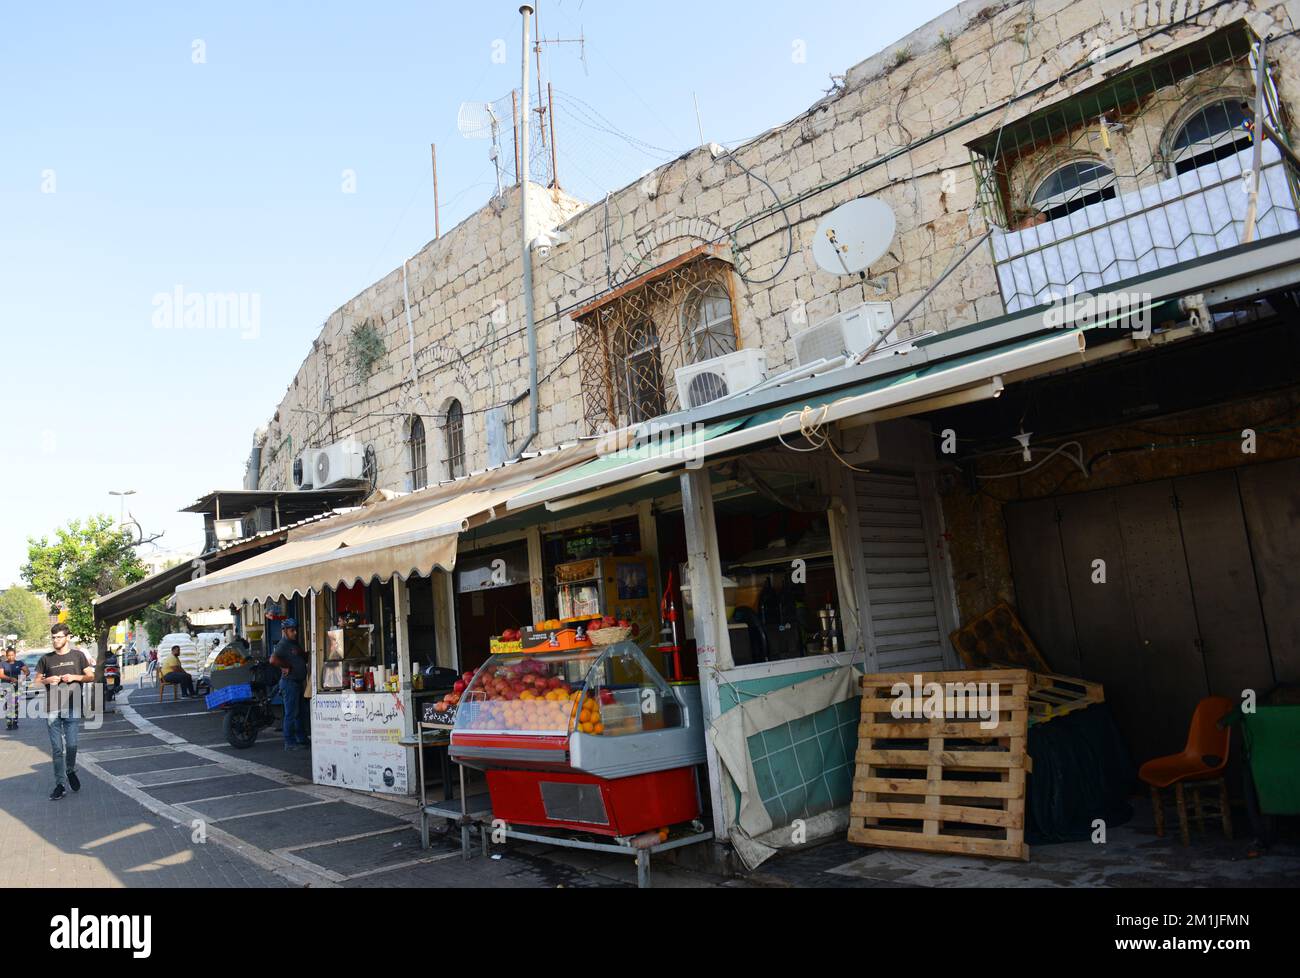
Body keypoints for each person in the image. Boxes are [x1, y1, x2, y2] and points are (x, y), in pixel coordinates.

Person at [35, 623, 95, 801]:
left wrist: (74, 677)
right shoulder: (46, 659)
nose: (55, 640)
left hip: (73, 706)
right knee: (56, 749)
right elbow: (35, 682)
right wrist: (48, 680)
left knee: (72, 745)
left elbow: (91, 676)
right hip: (52, 708)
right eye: (53, 637)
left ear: (68, 637)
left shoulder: (78, 656)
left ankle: (70, 770)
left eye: (59, 637)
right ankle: (60, 785)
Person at [269, 618, 308, 751]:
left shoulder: (293, 643)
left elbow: (304, 657)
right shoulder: (283, 644)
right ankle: (289, 742)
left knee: (299, 713)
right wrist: (286, 666)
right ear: (285, 631)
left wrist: (301, 653)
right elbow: (273, 659)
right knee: (291, 714)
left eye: (296, 630)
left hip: (297, 683)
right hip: (289, 683)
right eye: (292, 630)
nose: (295, 632)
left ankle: (301, 739)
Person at [1, 646, 28, 730]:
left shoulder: (19, 663)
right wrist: (10, 678)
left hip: (17, 685)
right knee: (10, 704)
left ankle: (15, 722)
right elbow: (1, 675)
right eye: (8, 655)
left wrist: (22, 677)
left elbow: (27, 671)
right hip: (6, 685)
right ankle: (9, 723)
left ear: (15, 655)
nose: (10, 657)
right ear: (6, 655)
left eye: (12, 655)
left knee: (15, 704)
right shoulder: (2, 664)